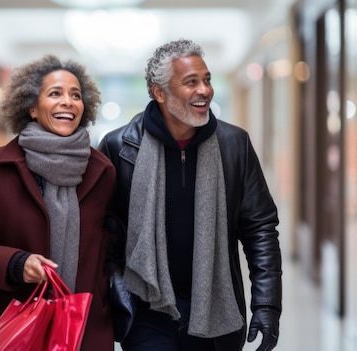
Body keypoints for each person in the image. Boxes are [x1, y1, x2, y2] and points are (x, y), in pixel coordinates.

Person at [98, 38, 282, 351]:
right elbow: (102, 233)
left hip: (214, 312)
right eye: (191, 82)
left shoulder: (234, 144)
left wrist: (266, 304)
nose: (204, 90)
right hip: (146, 312)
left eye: (207, 79)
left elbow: (260, 228)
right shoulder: (120, 147)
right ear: (159, 92)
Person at [0, 55, 116, 351]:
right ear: (32, 108)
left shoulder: (102, 172)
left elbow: (109, 251)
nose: (67, 101)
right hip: (11, 326)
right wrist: (15, 264)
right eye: (55, 93)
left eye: (75, 95)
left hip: (81, 329)